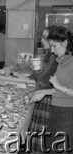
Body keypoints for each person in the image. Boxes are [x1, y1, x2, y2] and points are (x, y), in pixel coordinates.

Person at [30, 26, 73, 153]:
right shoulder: (62, 60)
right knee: (50, 146)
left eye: (54, 46)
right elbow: (62, 89)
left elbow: (63, 88)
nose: (52, 50)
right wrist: (44, 92)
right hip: (56, 110)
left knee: (61, 148)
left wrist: (58, 86)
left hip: (68, 113)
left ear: (65, 43)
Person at [27, 26, 58, 154]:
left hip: (48, 100)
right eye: (42, 36)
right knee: (37, 137)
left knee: (41, 138)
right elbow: (37, 78)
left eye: (45, 37)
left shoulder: (54, 58)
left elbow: (44, 81)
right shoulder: (48, 55)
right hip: (43, 97)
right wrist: (35, 71)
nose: (42, 40)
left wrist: (37, 69)